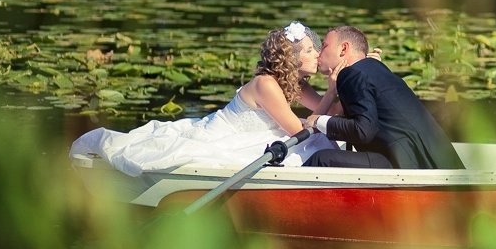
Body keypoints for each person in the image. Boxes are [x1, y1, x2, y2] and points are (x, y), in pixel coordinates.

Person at [70, 22, 340, 176]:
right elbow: (299, 130)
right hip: (221, 135)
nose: (316, 54)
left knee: (323, 137)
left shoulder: (295, 84)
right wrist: (330, 92)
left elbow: (327, 113)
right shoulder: (266, 84)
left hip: (256, 137)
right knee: (316, 140)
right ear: (291, 57)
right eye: (308, 49)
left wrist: (339, 86)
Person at [305, 25, 464, 169]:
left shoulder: (350, 74)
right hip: (426, 158)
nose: (319, 53)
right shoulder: (374, 68)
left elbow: (363, 130)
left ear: (343, 49)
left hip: (405, 163)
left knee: (322, 158)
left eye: (324, 46)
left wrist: (318, 120)